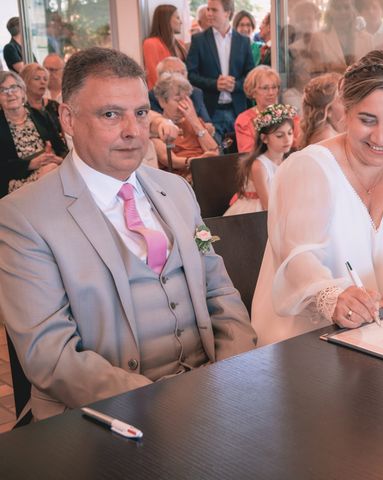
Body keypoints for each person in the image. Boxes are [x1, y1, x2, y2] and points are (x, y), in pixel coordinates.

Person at [0, 47, 256, 422]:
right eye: (110, 114)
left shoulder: (177, 190)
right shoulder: (23, 216)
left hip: (212, 396)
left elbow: (219, 291)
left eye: (139, 112)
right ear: (68, 119)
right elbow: (49, 355)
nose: (133, 132)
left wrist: (233, 375)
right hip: (102, 421)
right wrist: (160, 405)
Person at [251, 50, 383, 346]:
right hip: (306, 338)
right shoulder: (310, 168)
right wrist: (331, 296)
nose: (380, 138)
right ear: (345, 111)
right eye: (367, 120)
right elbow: (299, 257)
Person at [187, 0, 255, 137]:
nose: (209, 14)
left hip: (238, 110)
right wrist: (214, 84)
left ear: (227, 13)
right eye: (208, 9)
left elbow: (251, 75)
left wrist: (235, 85)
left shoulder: (243, 41)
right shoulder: (198, 40)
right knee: (216, 156)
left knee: (239, 155)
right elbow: (190, 75)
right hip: (210, 111)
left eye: (214, 10)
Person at [0, 71, 67, 198]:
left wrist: (59, 159)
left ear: (22, 91)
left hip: (50, 169)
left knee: (52, 170)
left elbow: (61, 148)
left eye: (14, 87)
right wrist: (31, 164)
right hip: (16, 182)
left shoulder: (41, 116)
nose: (10, 94)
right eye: (3, 90)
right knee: (52, 172)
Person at [225, 104, 294, 216]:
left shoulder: (289, 160)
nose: (287, 139)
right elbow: (267, 206)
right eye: (280, 135)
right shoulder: (259, 166)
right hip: (258, 213)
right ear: (264, 138)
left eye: (290, 133)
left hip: (279, 209)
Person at [152, 73, 220, 182]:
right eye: (178, 100)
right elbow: (168, 159)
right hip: (179, 179)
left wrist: (194, 121)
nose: (183, 105)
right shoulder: (157, 126)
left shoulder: (196, 122)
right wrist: (196, 162)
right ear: (162, 101)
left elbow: (214, 151)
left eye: (186, 99)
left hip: (206, 174)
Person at [234, 65, 300, 153]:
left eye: (274, 87)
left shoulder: (289, 114)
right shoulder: (244, 120)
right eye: (265, 88)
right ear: (253, 92)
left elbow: (300, 144)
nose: (271, 93)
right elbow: (247, 154)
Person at [148, 56, 214, 134]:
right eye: (175, 73)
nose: (181, 77)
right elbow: (158, 126)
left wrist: (197, 125)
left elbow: (209, 125)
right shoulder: (152, 96)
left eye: (183, 72)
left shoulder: (196, 92)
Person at [308, 0, 374, 76]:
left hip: (361, 87)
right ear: (329, 12)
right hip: (330, 86)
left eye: (347, 7)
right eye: (337, 8)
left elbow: (372, 73)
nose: (342, 12)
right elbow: (316, 73)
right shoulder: (318, 38)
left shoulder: (368, 39)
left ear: (353, 10)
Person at [143, 4, 188, 89]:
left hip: (183, 92)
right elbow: (153, 76)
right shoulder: (151, 43)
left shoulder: (180, 44)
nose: (181, 22)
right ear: (166, 20)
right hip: (163, 96)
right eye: (177, 18)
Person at [20, 63, 65, 142]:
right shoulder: (19, 108)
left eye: (45, 79)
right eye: (37, 79)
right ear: (25, 82)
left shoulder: (54, 106)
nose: (42, 82)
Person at [299, 72, 345, 147]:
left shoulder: (318, 133)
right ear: (328, 110)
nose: (348, 105)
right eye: (342, 101)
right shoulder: (328, 139)